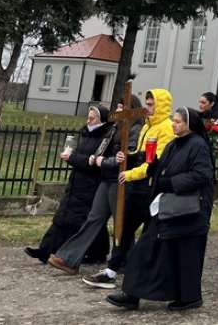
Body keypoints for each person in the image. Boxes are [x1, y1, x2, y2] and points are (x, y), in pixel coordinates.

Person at [106, 107, 214, 312]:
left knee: (185, 257)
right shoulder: (174, 144)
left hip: (188, 212)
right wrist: (153, 163)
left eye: (178, 121)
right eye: (174, 120)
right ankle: (131, 294)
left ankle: (189, 298)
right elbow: (162, 169)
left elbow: (202, 175)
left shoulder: (198, 145)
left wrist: (171, 183)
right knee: (144, 250)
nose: (174, 124)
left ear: (189, 125)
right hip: (168, 207)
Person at [63, 89, 174, 282]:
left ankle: (143, 271)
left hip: (146, 185)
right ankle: (111, 269)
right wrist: (123, 157)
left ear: (161, 106)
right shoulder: (143, 127)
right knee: (124, 228)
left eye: (151, 105)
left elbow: (153, 162)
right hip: (132, 182)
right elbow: (136, 153)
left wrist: (127, 171)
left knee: (140, 231)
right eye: (147, 104)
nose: (147, 108)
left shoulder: (163, 128)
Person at [48, 98, 142, 286]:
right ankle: (69, 259)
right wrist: (95, 158)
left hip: (120, 180)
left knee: (121, 226)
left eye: (122, 107)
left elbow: (128, 157)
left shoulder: (135, 129)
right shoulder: (115, 127)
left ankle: (127, 261)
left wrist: (103, 162)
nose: (118, 110)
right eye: (118, 106)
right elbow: (104, 148)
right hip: (107, 178)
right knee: (94, 218)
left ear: (131, 110)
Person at [27, 106, 114, 265]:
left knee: (85, 221)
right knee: (63, 216)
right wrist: (71, 157)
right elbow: (83, 158)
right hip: (77, 182)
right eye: (88, 117)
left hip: (90, 185)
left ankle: (97, 252)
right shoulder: (86, 134)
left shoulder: (105, 138)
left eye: (92, 118)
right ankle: (46, 250)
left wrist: (72, 158)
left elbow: (92, 163)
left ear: (101, 120)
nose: (88, 121)